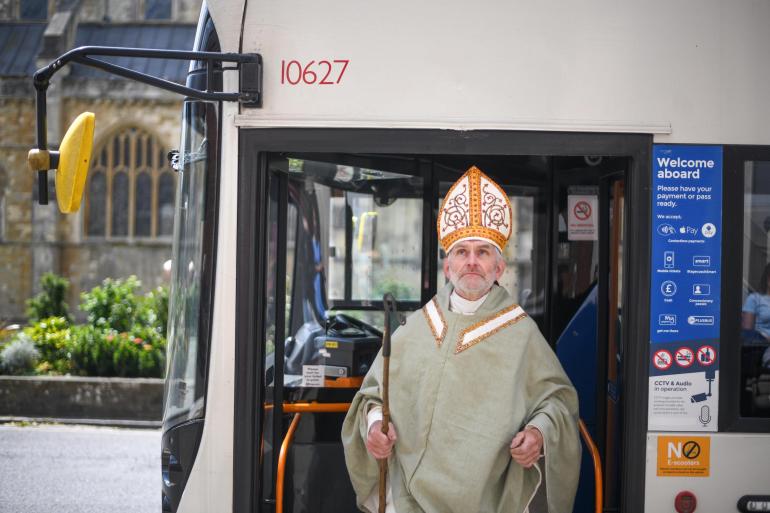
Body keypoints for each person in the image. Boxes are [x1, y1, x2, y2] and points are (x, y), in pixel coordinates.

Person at [342, 166, 581, 513]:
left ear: (499, 269)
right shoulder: (418, 327)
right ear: (447, 267)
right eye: (461, 252)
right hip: (407, 494)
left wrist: (539, 435)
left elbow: (558, 403)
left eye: (483, 252)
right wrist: (375, 427)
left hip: (488, 498)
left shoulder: (521, 332)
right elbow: (373, 397)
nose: (472, 262)